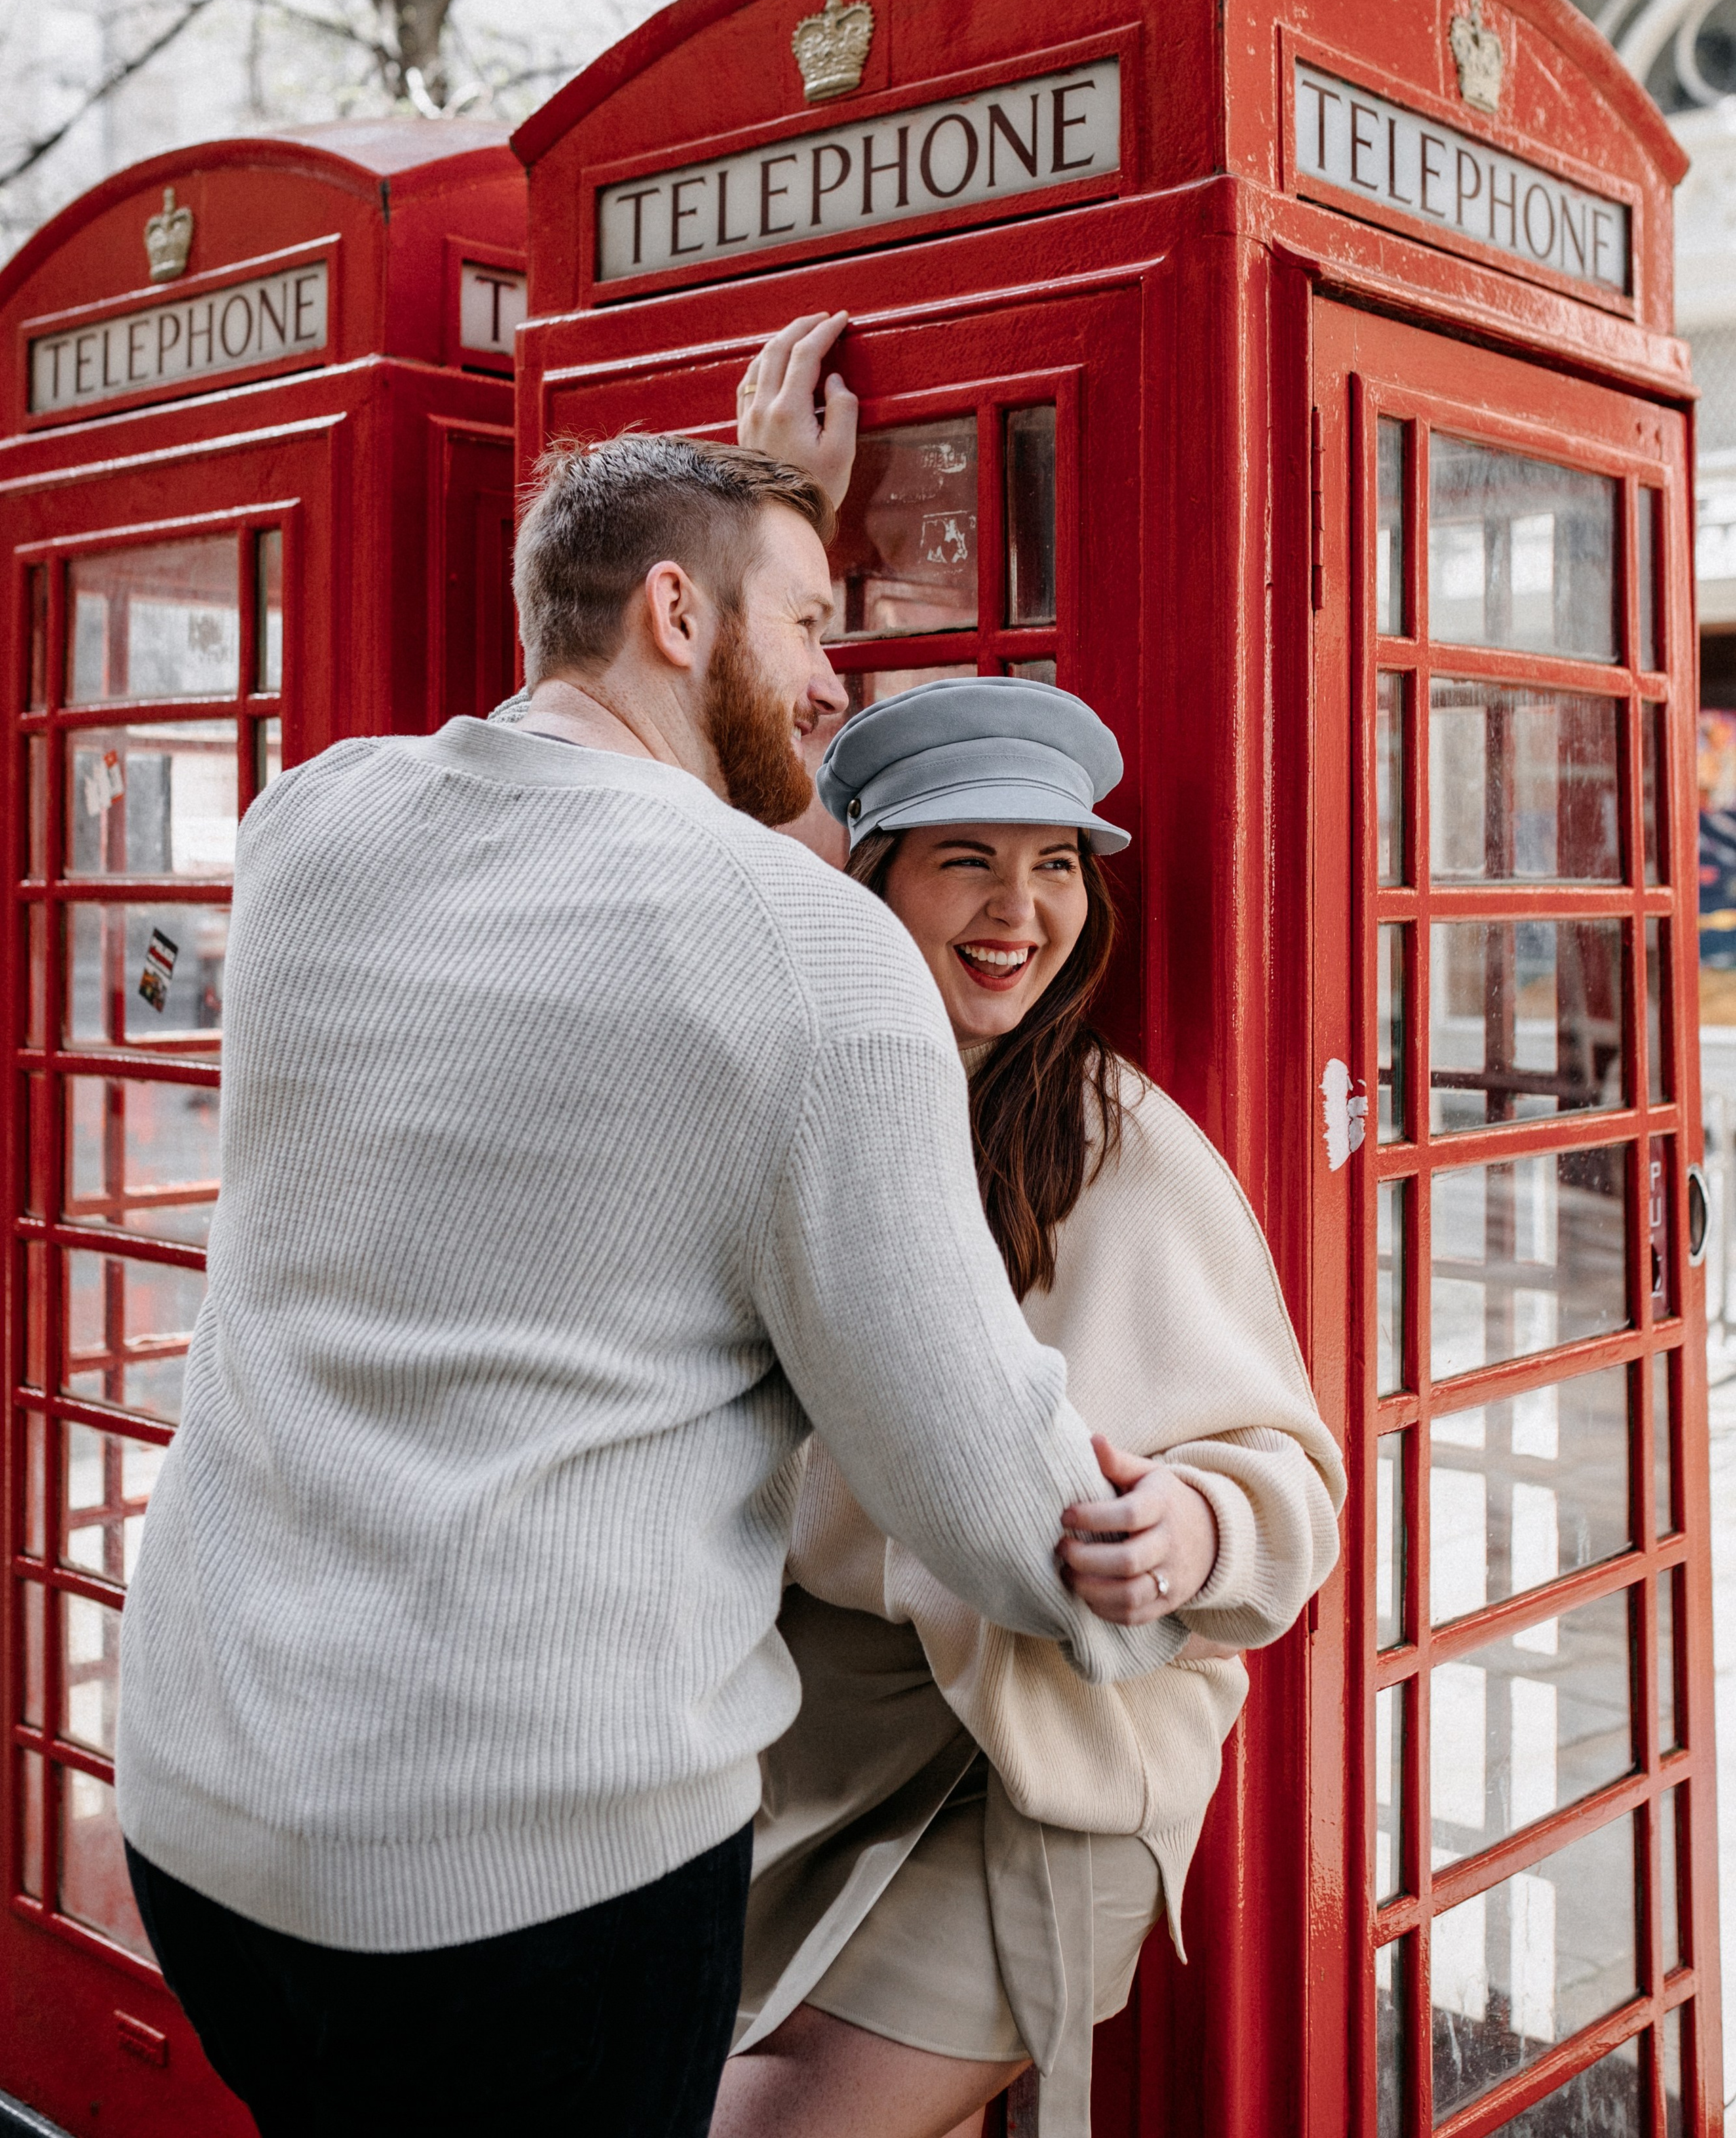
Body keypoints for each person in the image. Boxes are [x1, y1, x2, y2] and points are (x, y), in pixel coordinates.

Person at [115, 316, 1185, 2138]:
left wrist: (758, 515)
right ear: (682, 621)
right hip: (530, 1884)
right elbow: (974, 1488)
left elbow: (544, 763)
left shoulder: (312, 829)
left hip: (205, 1813)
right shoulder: (811, 944)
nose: (840, 684)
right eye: (813, 626)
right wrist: (1141, 1583)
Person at [713, 352, 1345, 2138]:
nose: (1020, 910)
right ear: (873, 883)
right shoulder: (804, 1094)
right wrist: (776, 517)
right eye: (965, 863)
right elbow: (654, 835)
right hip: (795, 1739)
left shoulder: (1115, 1141)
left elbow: (1291, 1481)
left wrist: (1192, 1523)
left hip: (1047, 1765)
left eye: (1058, 865)